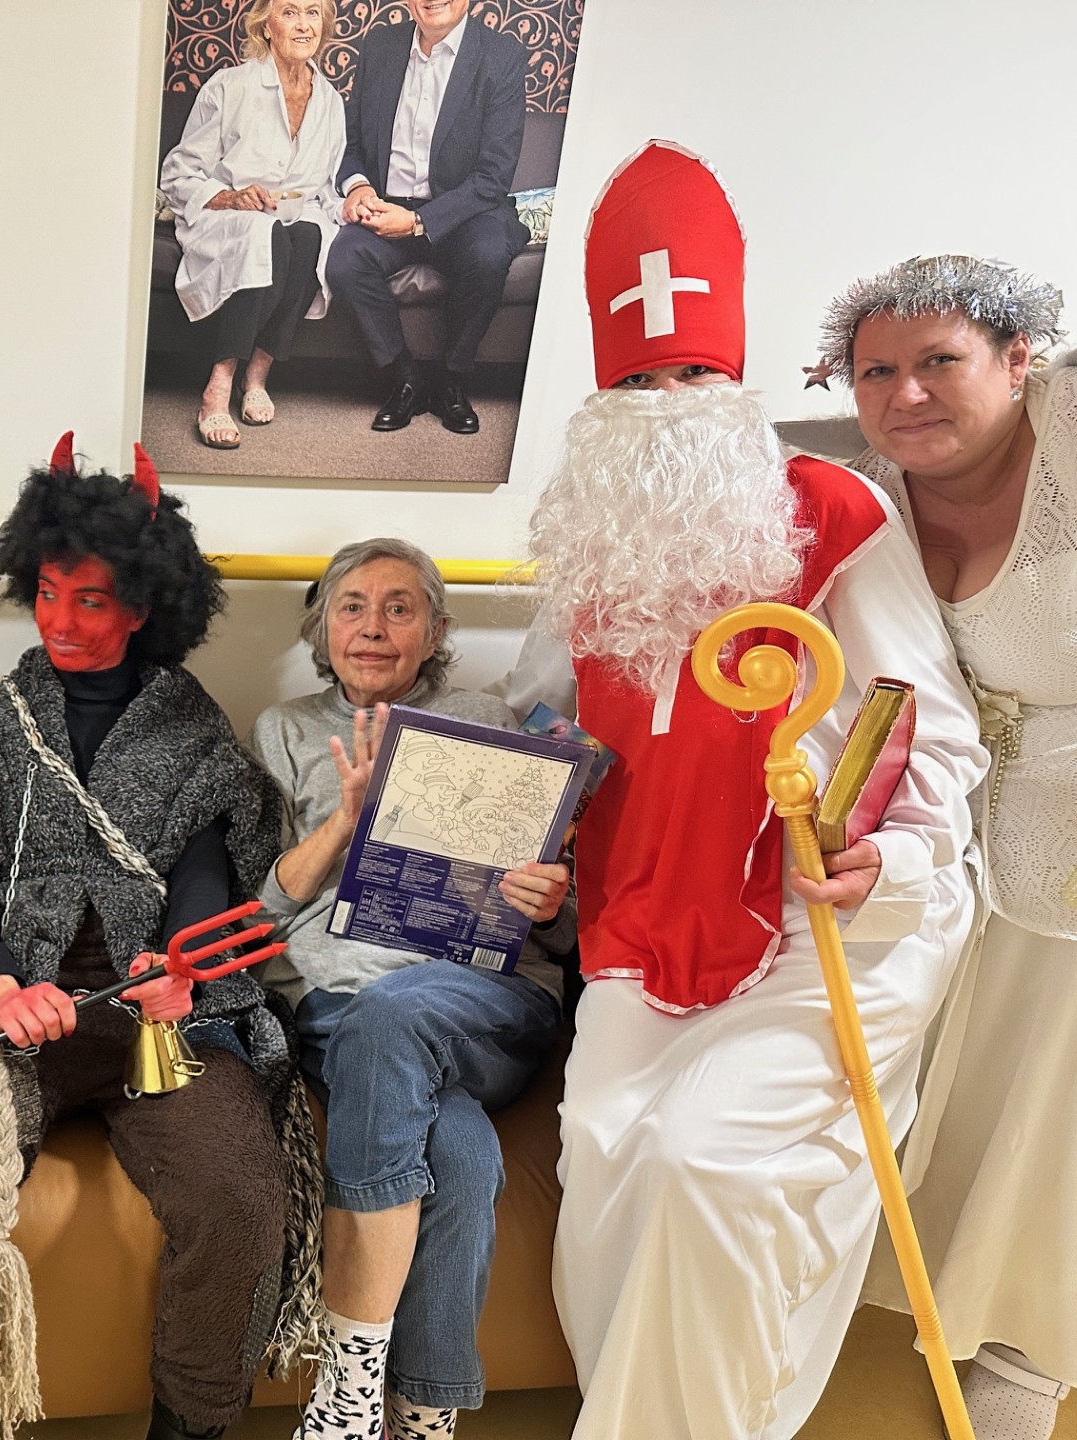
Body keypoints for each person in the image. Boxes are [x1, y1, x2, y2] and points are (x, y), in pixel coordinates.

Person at [505, 141, 986, 1439]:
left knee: (704, 1161)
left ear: (735, 381)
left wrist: (890, 857)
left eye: (693, 376)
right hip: (642, 926)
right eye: (639, 380)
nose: (667, 403)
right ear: (601, 395)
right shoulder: (589, 548)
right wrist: (533, 854)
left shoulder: (831, 513)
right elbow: (557, 754)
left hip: (824, 923)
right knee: (604, 1162)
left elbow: (931, 739)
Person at [0, 436, 323, 1440]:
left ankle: (193, 1426)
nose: (61, 620)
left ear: (141, 607)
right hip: (4, 1009)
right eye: (48, 593)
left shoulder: (192, 730)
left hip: (160, 1018)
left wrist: (180, 968)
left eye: (91, 600)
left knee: (238, 1194)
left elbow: (204, 871)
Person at [818, 254, 1075, 1440]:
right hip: (950, 819)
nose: (905, 393)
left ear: (1019, 361)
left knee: (1060, 1084)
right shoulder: (861, 490)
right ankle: (934, 1294)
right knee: (962, 1070)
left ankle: (1037, 1346)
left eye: (938, 362)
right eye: (876, 372)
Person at [250, 538, 572, 1440]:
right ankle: (425, 1417)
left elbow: (562, 913)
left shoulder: (491, 720)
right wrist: (346, 823)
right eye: (352, 606)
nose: (373, 627)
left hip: (483, 999)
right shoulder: (284, 730)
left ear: (434, 632)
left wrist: (551, 900)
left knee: (395, 1010)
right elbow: (259, 916)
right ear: (322, 627)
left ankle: (348, 1385)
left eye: (400, 608)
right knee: (462, 1155)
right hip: (337, 1004)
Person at [325, 0, 530, 434]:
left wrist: (420, 222)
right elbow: (350, 141)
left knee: (489, 254)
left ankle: (451, 380)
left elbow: (493, 176)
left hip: (466, 211)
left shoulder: (502, 56)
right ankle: (405, 378)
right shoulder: (380, 46)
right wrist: (359, 186)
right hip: (387, 203)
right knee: (344, 260)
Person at [158, 0, 344, 449]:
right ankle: (219, 384)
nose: (303, 25)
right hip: (227, 216)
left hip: (294, 216)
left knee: (312, 234)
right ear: (265, 27)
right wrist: (231, 197)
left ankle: (258, 374)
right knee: (266, 235)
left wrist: (358, 204)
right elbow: (179, 173)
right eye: (289, 12)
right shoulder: (230, 86)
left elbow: (329, 188)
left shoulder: (330, 101)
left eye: (313, 13)